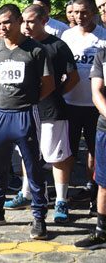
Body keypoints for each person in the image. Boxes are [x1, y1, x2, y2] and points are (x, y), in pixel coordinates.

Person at [0, 4, 54, 240]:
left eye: (7, 22)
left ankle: (39, 217)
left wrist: (29, 100)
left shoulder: (36, 50)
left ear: (18, 21)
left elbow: (49, 84)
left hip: (25, 114)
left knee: (33, 168)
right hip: (0, 114)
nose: (2, 27)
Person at [6, 4, 78, 223]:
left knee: (57, 156)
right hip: (25, 109)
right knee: (27, 154)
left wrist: (54, 93)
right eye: (24, 21)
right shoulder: (20, 45)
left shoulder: (57, 45)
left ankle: (61, 201)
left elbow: (73, 78)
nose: (26, 26)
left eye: (31, 21)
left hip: (51, 111)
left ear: (44, 21)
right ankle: (27, 193)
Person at [61, 0, 106, 212]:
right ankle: (63, 195)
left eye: (84, 12)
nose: (79, 16)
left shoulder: (103, 37)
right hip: (70, 103)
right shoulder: (67, 36)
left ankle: (94, 191)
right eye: (76, 12)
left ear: (93, 12)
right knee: (68, 151)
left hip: (94, 106)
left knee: (95, 152)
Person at [75, 47, 106, 249]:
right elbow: (97, 93)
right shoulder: (102, 55)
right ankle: (102, 233)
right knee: (104, 183)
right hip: (105, 127)